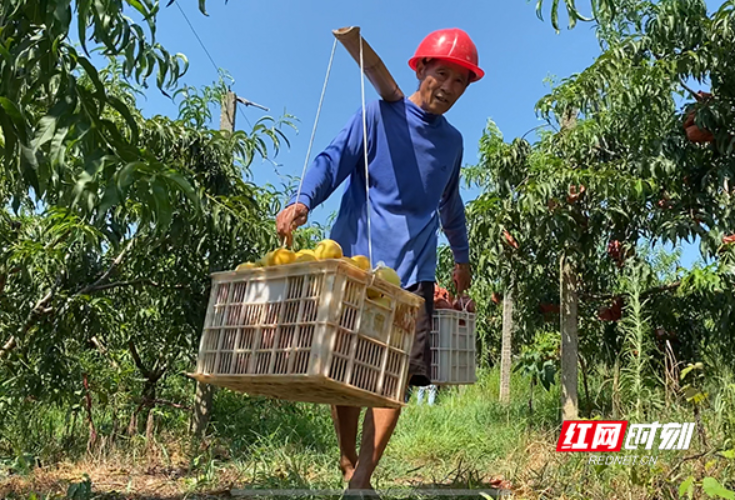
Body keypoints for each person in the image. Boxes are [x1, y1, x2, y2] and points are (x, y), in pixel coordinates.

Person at [276, 28, 483, 493]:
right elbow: (333, 160)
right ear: (421, 69)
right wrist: (303, 202)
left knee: (397, 376)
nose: (448, 87)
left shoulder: (452, 143)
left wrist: (461, 255)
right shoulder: (376, 115)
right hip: (355, 264)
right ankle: (349, 459)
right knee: (347, 369)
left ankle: (362, 478)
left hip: (413, 274)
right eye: (442, 74)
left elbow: (450, 202)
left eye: (460, 81)